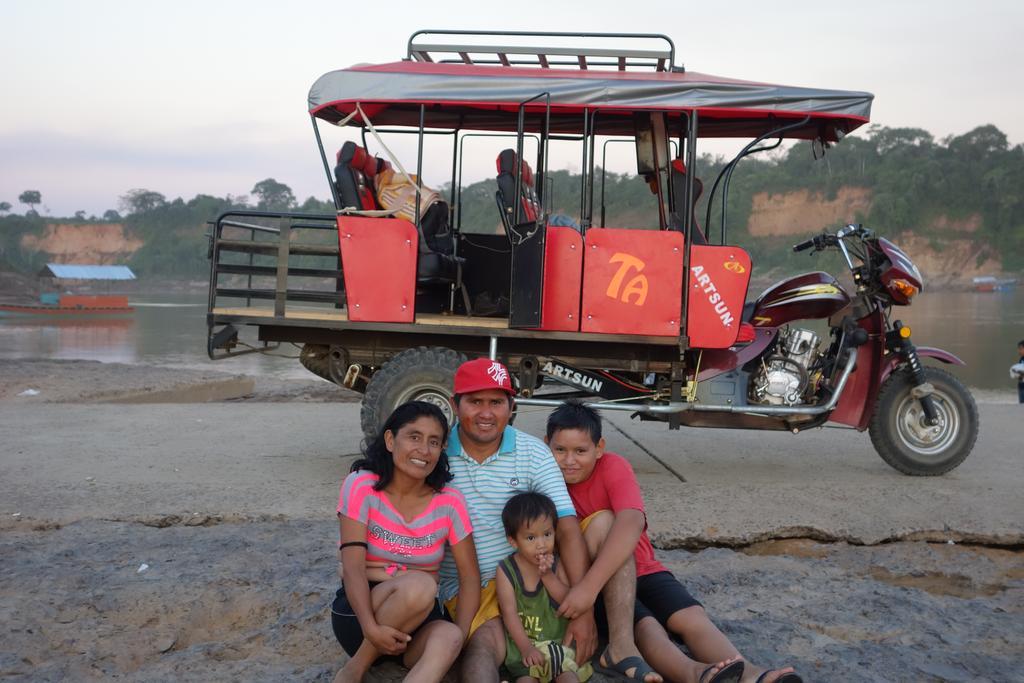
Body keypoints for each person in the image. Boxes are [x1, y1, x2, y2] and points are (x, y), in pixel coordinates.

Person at [546, 401, 803, 683]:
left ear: (599, 448)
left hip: (640, 567)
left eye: (580, 451)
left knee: (691, 618)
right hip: (604, 584)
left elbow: (632, 520)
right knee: (647, 626)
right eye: (560, 450)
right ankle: (695, 674)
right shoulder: (546, 481)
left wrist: (587, 588)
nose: (569, 460)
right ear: (547, 445)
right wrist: (590, 589)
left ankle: (751, 673)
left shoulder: (612, 466)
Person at [436, 358, 605, 683]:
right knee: (483, 647)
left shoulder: (532, 452)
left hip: (537, 580)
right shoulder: (437, 454)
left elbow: (567, 527)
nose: (486, 414)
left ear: (511, 406)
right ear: (455, 405)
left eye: (496, 402)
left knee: (562, 666)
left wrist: (583, 609)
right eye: (475, 401)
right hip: (474, 588)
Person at [331, 401, 480, 683]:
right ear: (390, 440)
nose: (424, 450)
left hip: (418, 624)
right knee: (421, 585)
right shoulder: (362, 485)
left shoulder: (449, 501)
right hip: (361, 617)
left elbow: (469, 576)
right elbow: (352, 568)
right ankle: (355, 669)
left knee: (448, 636)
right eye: (414, 437)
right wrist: (371, 629)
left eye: (433, 442)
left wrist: (461, 635)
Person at [497, 492, 594, 683]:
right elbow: (509, 614)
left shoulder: (558, 565)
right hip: (525, 650)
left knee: (568, 678)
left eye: (547, 534)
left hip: (559, 649)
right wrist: (526, 648)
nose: (541, 545)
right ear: (513, 541)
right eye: (531, 538)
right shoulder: (506, 571)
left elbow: (569, 604)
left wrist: (548, 576)